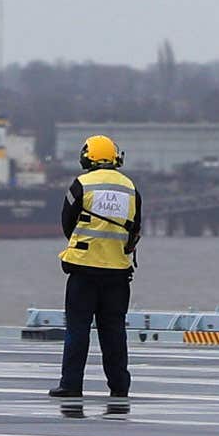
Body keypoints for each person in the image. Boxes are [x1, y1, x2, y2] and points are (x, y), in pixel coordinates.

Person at [48, 134, 140, 401]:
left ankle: (71, 385)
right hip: (118, 273)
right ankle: (120, 386)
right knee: (114, 331)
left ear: (86, 157)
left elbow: (67, 222)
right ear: (115, 158)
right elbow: (135, 228)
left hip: (84, 271)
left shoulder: (81, 184)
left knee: (78, 329)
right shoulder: (130, 188)